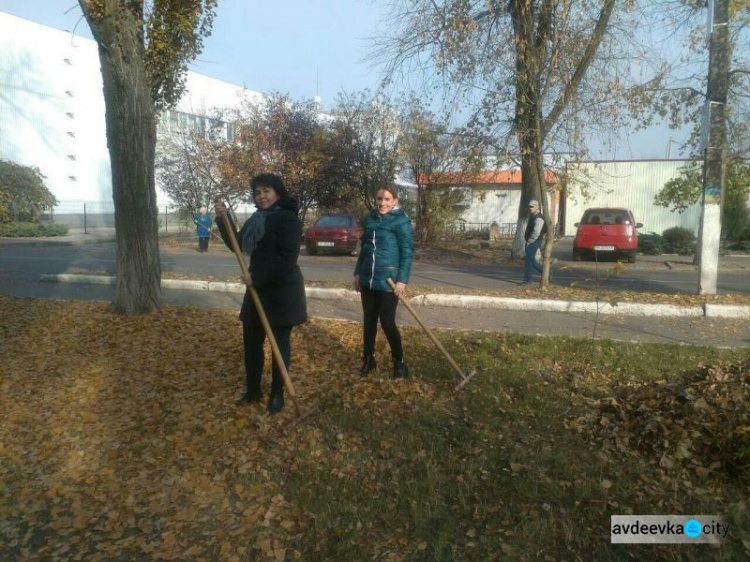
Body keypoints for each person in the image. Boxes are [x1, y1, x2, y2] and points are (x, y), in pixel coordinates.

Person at [214, 174, 307, 414]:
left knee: (279, 347)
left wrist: (257, 277)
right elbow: (237, 244)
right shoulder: (257, 218)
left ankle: (278, 395)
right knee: (252, 344)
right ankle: (253, 391)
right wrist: (223, 219)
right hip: (256, 294)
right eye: (257, 192)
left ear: (277, 192)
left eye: (266, 191)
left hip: (281, 293)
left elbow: (287, 259)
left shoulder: (288, 219)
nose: (262, 196)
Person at [352, 186, 414, 379]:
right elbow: (365, 250)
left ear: (395, 200)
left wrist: (402, 280)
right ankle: (368, 359)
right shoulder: (370, 219)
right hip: (368, 280)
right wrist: (357, 273)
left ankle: (399, 362)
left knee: (387, 322)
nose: (382, 203)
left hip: (389, 281)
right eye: (380, 198)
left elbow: (407, 253)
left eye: (387, 199)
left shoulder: (401, 222)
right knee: (369, 321)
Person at [522, 199, 548, 285]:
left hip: (534, 241)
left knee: (528, 260)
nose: (530, 208)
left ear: (537, 207)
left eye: (532, 206)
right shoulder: (533, 215)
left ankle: (527, 280)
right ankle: (546, 273)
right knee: (531, 259)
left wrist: (530, 240)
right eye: (529, 206)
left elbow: (537, 232)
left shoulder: (539, 218)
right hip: (533, 241)